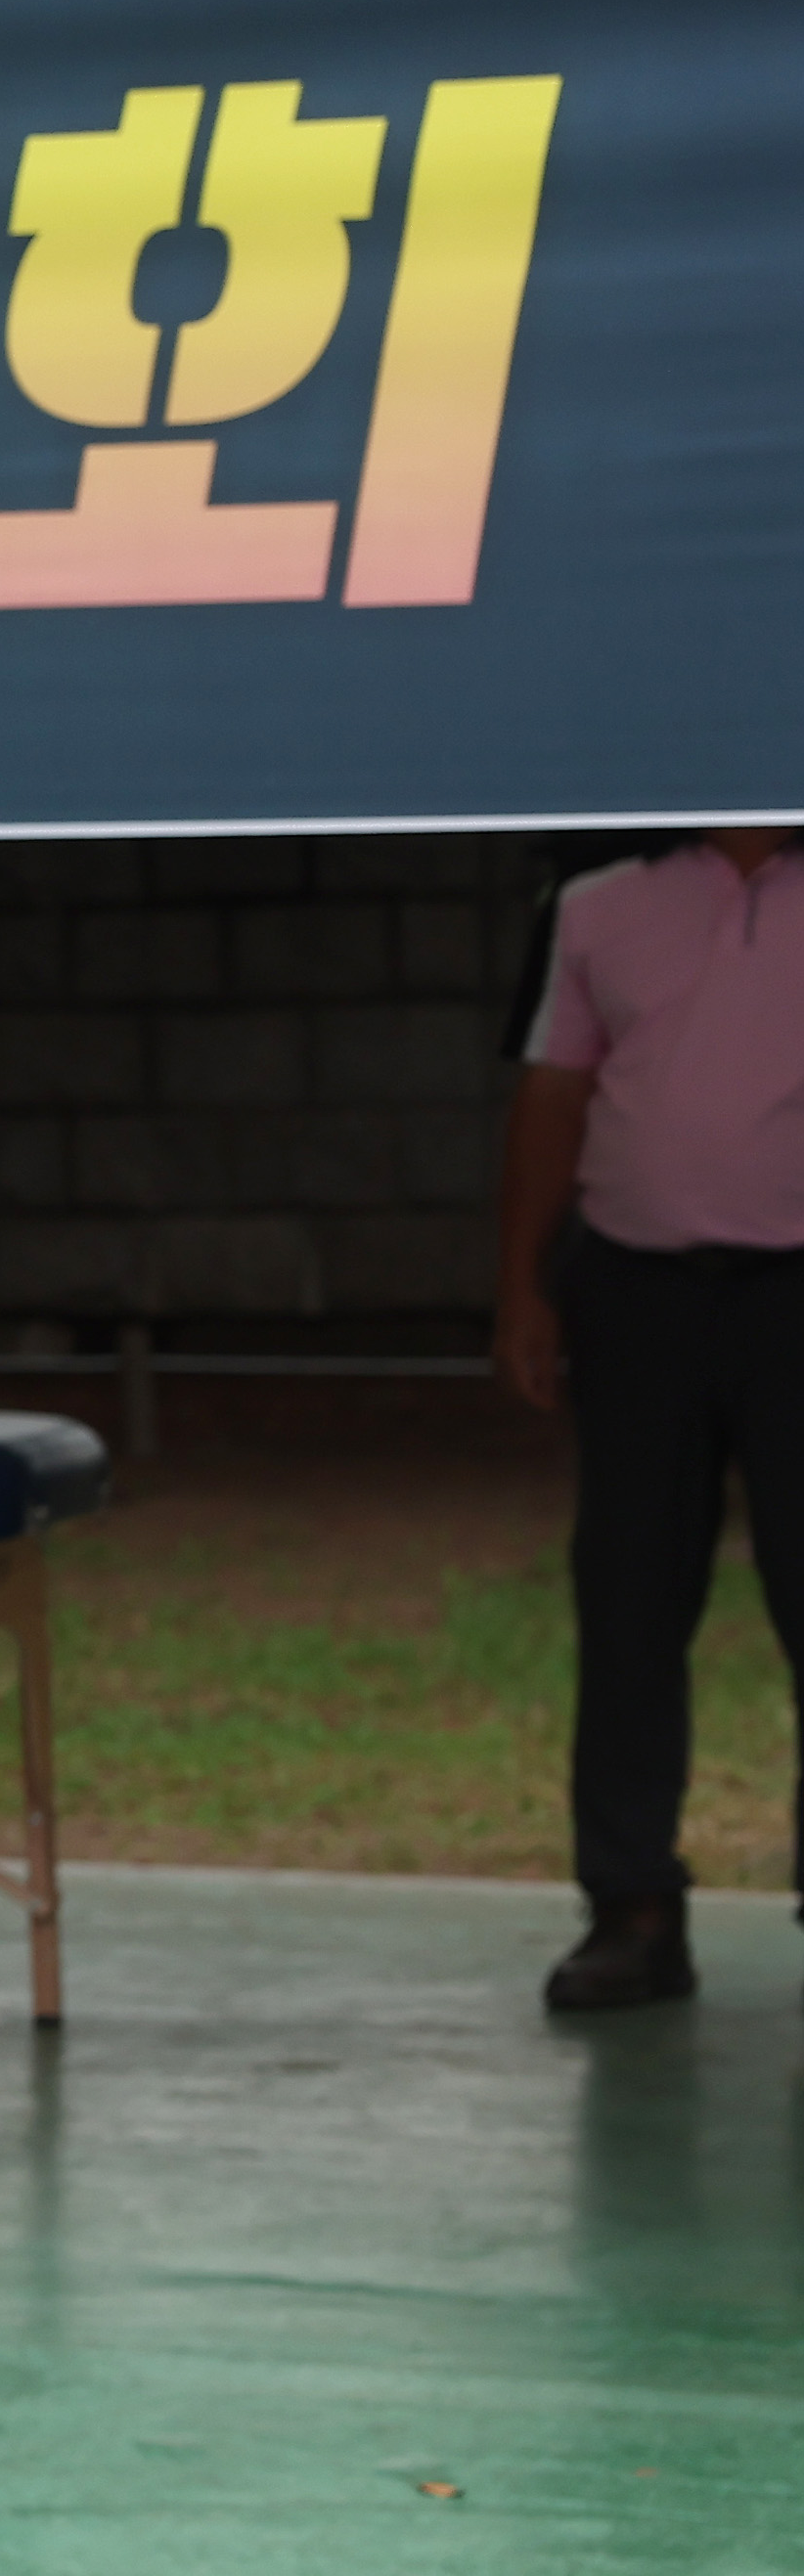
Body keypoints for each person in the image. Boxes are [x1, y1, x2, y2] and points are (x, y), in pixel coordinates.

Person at [497, 823, 804, 2011]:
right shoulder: (593, 905)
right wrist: (522, 1283)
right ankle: (630, 1907)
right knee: (627, 1595)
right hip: (636, 1292)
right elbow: (552, 1096)